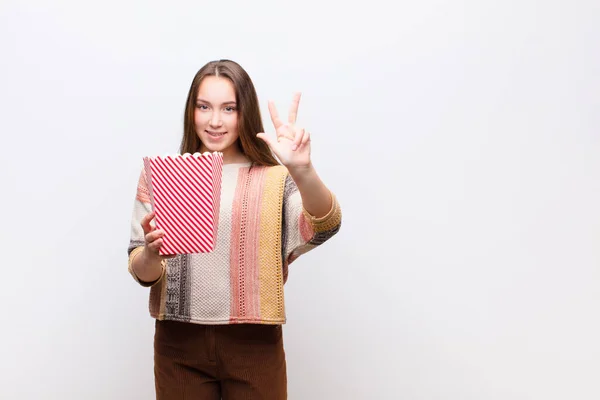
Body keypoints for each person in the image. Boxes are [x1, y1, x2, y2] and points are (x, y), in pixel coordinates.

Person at [127, 59, 342, 399]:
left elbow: (325, 224)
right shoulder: (163, 176)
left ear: (245, 113)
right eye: (204, 107)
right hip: (178, 344)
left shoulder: (273, 179)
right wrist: (152, 253)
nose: (215, 121)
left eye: (229, 108)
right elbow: (141, 271)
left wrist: (303, 170)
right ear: (191, 111)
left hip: (254, 344)